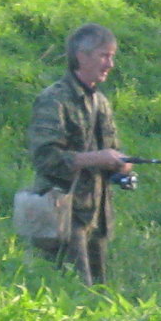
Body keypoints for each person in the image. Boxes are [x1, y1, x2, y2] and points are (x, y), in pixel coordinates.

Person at [27, 23, 133, 285]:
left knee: (95, 296)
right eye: (103, 56)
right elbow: (45, 157)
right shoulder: (54, 99)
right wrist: (97, 158)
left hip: (95, 219)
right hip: (57, 215)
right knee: (61, 292)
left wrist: (120, 165)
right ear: (81, 56)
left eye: (112, 56)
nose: (110, 64)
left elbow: (112, 150)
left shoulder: (101, 102)